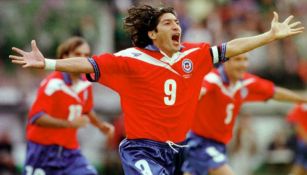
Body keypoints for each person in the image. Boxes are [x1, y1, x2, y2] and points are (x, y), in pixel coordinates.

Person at [9, 4, 304, 175]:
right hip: (142, 149)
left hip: (178, 150)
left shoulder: (195, 55)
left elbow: (230, 48)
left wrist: (269, 35)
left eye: (177, 21)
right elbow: (86, 63)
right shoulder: (131, 60)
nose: (176, 25)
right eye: (167, 22)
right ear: (152, 33)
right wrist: (47, 62)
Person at [182, 53, 307, 175]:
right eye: (238, 60)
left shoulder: (245, 82)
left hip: (219, 145)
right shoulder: (213, 79)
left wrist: (303, 99)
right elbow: (198, 91)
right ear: (224, 61)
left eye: (245, 59)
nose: (243, 64)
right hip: (200, 143)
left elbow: (274, 92)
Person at [21, 37, 114, 175]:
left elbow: (86, 110)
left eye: (86, 55)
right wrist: (70, 124)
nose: (83, 58)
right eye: (78, 54)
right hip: (42, 151)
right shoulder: (53, 84)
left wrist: (100, 125)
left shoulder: (86, 84)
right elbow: (36, 117)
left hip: (70, 151)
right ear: (65, 56)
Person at [287, 104, 307, 175]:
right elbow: (293, 121)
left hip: (303, 141)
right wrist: (305, 137)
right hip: (303, 142)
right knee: (299, 166)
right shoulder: (302, 106)